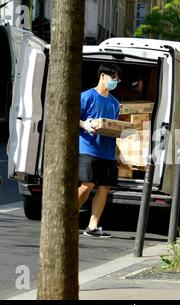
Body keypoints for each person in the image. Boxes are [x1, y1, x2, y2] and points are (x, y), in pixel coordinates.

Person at [78, 63, 121, 238]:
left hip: (107, 151)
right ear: (103, 76)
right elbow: (72, 116)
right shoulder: (86, 96)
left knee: (104, 188)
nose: (115, 81)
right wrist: (84, 124)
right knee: (86, 186)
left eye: (117, 79)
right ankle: (66, 217)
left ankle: (93, 226)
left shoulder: (114, 103)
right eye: (114, 78)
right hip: (88, 148)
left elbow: (115, 126)